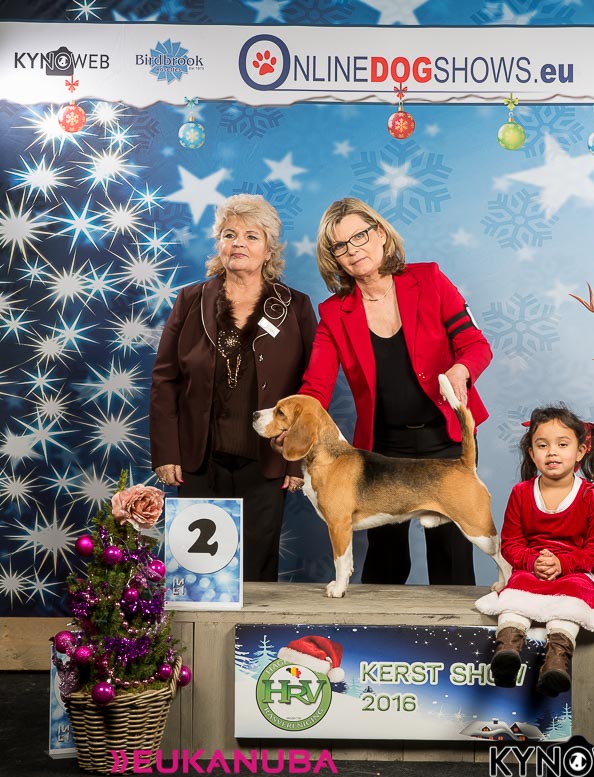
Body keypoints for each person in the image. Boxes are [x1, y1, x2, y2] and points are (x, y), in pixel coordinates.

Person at [298, 197, 493, 585]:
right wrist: (291, 423)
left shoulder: (430, 279)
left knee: (453, 561)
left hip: (445, 439)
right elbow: (315, 387)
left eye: (360, 236)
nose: (353, 250)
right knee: (385, 561)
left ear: (381, 234)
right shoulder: (333, 313)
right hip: (382, 450)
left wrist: (462, 368)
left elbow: (476, 344)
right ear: (333, 257)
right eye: (340, 246)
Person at [149, 194, 318, 581]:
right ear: (219, 244)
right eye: (229, 234)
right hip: (197, 459)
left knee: (257, 573)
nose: (238, 243)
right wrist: (166, 451)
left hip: (267, 461)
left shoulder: (296, 306)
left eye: (251, 236)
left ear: (269, 249)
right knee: (197, 575)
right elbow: (165, 379)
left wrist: (296, 458)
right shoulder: (190, 300)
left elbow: (311, 389)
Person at [475, 405, 594, 693]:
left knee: (571, 599)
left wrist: (563, 563)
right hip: (531, 569)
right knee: (516, 590)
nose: (552, 453)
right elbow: (511, 543)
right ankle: (507, 651)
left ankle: (557, 662)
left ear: (581, 451)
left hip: (574, 572)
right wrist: (533, 561)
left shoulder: (592, 496)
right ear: (531, 452)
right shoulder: (521, 493)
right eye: (542, 445)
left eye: (562, 444)